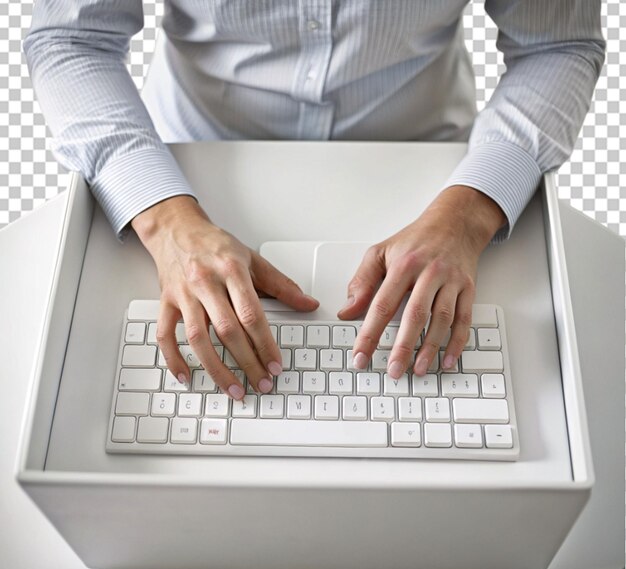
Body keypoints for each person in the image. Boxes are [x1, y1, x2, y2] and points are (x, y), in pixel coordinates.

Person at [24, 1, 605, 402]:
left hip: (429, 171)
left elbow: (557, 44)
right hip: (191, 166)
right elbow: (72, 37)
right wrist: (162, 216)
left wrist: (472, 209)